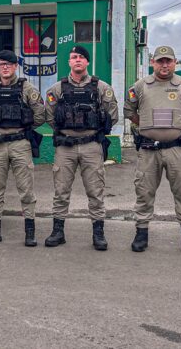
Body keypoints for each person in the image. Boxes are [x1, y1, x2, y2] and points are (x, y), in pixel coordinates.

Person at [123, 45, 181, 254]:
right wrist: (147, 127)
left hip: (176, 149)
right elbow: (129, 111)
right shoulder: (140, 86)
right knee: (144, 192)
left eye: (168, 61)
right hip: (148, 150)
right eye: (160, 61)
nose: (164, 65)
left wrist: (177, 128)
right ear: (153, 63)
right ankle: (141, 233)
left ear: (175, 62)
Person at [44, 46, 119, 251]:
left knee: (95, 191)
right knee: (61, 191)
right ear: (69, 62)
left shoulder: (101, 87)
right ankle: (58, 231)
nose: (77, 60)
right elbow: (49, 116)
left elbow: (113, 114)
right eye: (73, 57)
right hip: (65, 147)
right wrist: (65, 131)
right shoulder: (58, 88)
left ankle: (98, 233)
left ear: (87, 62)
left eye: (81, 57)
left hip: (91, 145)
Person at [0, 50, 46, 247]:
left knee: (26, 190)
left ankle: (30, 232)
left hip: (20, 143)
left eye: (9, 64)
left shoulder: (27, 89)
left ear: (16, 66)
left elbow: (40, 114)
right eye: (1, 64)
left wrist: (24, 128)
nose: (5, 67)